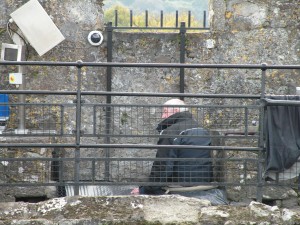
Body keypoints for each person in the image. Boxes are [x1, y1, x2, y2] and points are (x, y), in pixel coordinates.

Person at [131, 98, 228, 205]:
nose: (162, 116)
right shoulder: (201, 129)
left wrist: (145, 190)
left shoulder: (171, 132)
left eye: (165, 112)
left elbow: (163, 166)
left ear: (176, 111)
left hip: (181, 186)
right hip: (203, 184)